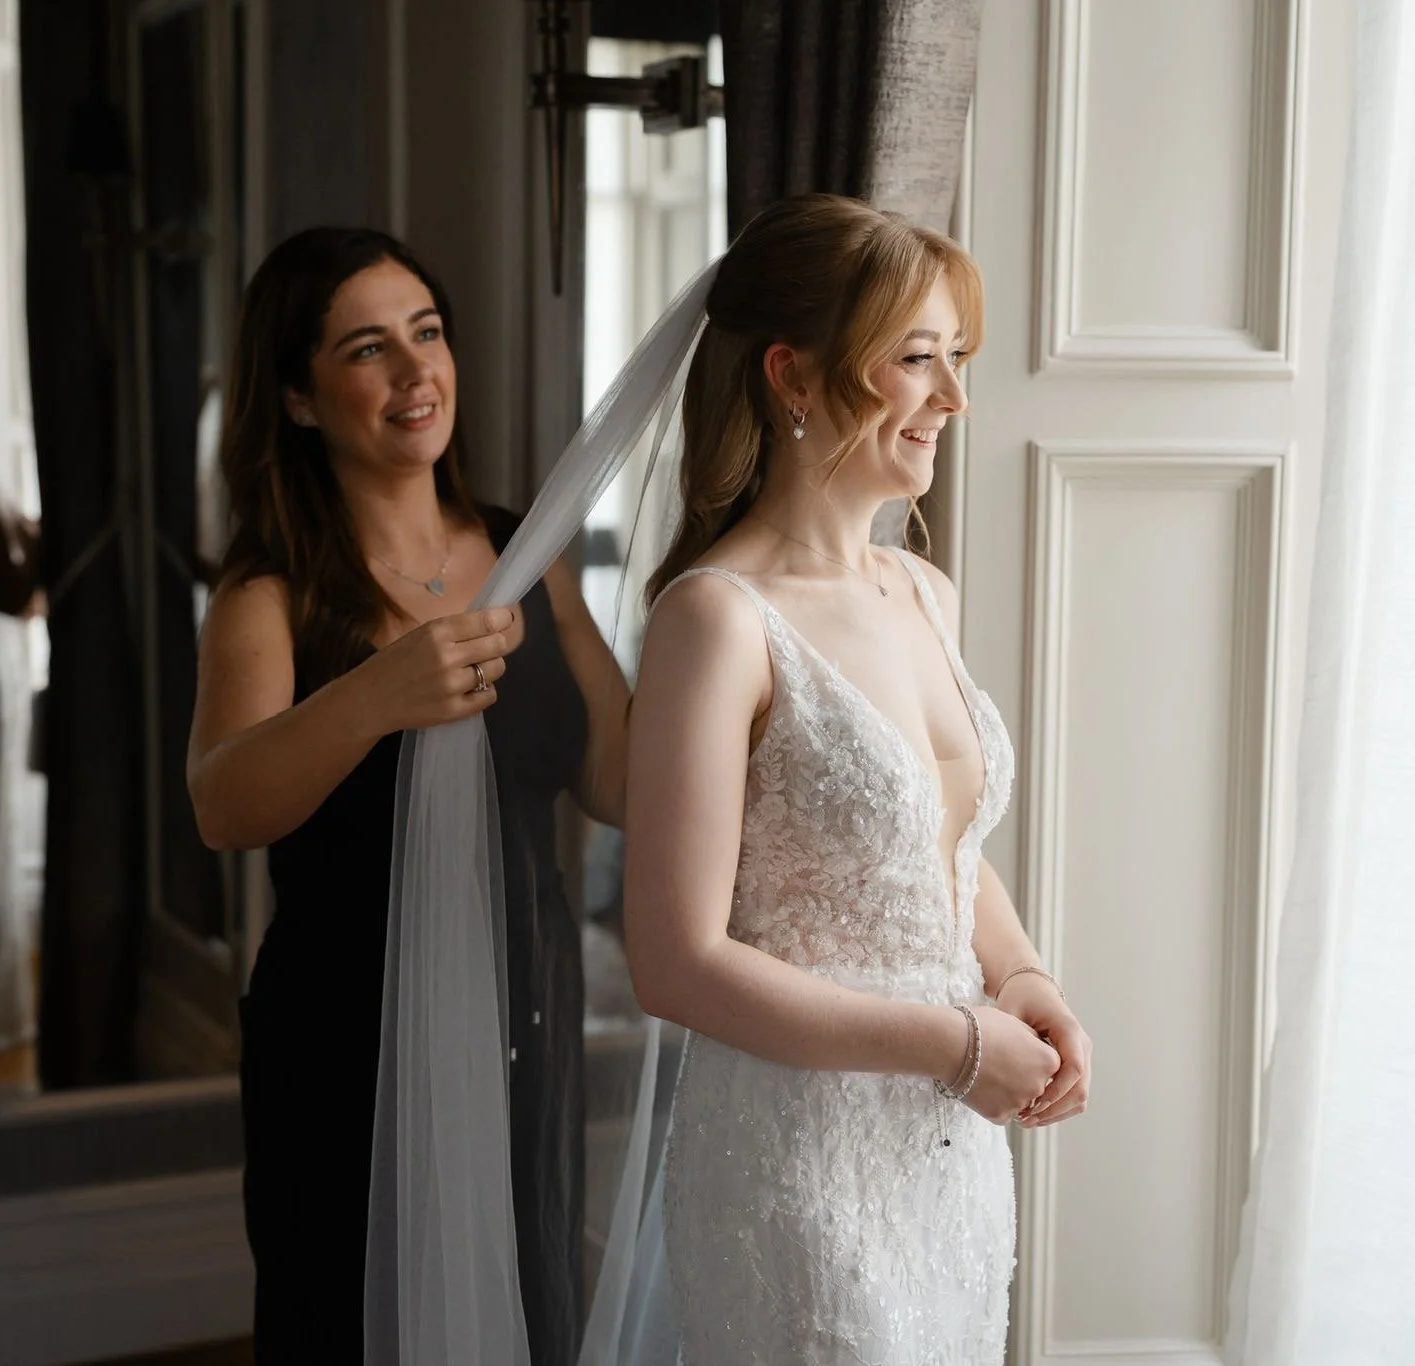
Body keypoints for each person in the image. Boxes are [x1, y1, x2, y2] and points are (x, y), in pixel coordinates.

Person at [623, 193, 1095, 1362]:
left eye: (956, 360)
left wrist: (1022, 974)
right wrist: (955, 1043)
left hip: (945, 1158)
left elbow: (941, 847)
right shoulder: (716, 622)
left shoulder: (920, 590)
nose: (953, 398)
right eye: (916, 360)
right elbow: (672, 961)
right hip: (794, 1163)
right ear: (793, 374)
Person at [185, 226, 629, 1364]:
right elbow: (222, 807)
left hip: (526, 1016)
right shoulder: (267, 597)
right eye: (367, 349)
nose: (414, 371)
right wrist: (376, 694)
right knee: (347, 1320)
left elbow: (617, 778)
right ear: (296, 397)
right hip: (345, 1047)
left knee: (529, 1299)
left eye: (425, 333)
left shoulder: (526, 552)